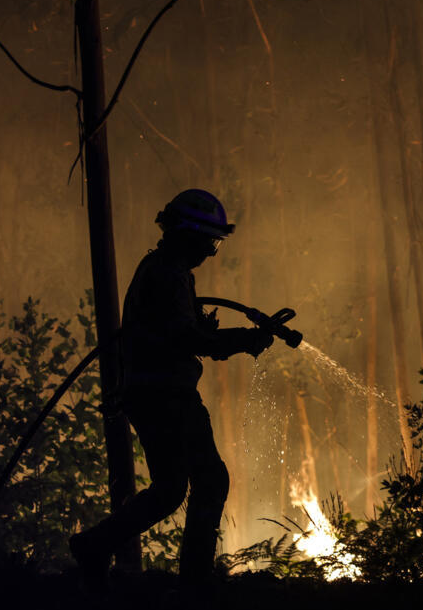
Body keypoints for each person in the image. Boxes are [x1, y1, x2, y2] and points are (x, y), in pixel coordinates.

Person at [69, 189, 273, 589]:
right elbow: (183, 339)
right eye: (209, 242)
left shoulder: (167, 270)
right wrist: (243, 340)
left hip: (149, 393)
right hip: (167, 396)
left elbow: (175, 331)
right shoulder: (166, 274)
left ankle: (94, 545)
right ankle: (195, 583)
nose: (212, 252)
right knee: (210, 481)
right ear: (186, 234)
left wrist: (209, 332)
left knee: (168, 490)